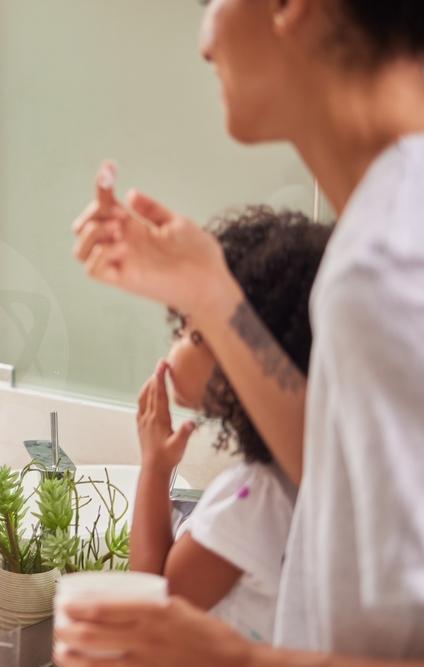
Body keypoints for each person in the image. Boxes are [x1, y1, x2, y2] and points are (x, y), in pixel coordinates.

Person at [61, 0, 424, 663]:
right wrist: (209, 291)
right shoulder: (387, 228)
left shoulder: (388, 260)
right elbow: (338, 466)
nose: (204, 39)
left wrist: (236, 657)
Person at [130, 209, 329, 643]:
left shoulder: (255, 498)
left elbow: (149, 602)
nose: (174, 350)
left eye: (193, 334)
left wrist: (154, 467)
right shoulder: (306, 479)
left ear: (244, 357)